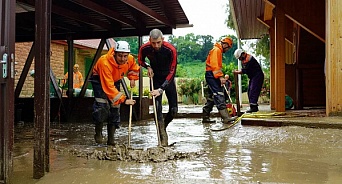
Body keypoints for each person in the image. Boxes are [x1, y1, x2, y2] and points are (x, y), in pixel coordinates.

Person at [90, 41, 140, 145]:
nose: (123, 59)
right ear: (114, 54)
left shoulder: (129, 59)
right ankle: (98, 133)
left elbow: (134, 68)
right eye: (120, 56)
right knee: (102, 107)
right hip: (99, 79)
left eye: (125, 56)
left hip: (115, 79)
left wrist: (132, 77)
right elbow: (109, 88)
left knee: (115, 107)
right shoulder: (104, 63)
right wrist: (124, 100)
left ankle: (111, 139)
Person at [138, 28, 178, 147]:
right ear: (149, 40)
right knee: (157, 110)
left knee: (174, 111)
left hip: (168, 78)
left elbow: (173, 70)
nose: (156, 46)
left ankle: (163, 127)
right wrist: (148, 66)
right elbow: (140, 60)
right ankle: (162, 137)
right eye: (153, 43)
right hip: (155, 78)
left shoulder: (170, 50)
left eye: (158, 43)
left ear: (163, 40)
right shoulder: (144, 48)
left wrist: (162, 89)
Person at [202, 37, 236, 123]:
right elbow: (215, 65)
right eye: (228, 47)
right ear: (224, 44)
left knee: (212, 97)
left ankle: (205, 116)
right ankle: (225, 117)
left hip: (211, 74)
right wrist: (220, 77)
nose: (227, 49)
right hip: (212, 75)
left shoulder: (217, 50)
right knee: (219, 94)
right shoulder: (216, 50)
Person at [233, 49, 264, 113]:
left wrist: (237, 72)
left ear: (242, 54)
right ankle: (253, 106)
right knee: (249, 90)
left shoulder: (249, 59)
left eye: (240, 58)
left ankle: (253, 107)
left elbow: (245, 70)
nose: (239, 60)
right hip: (253, 77)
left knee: (253, 90)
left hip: (257, 76)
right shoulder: (244, 60)